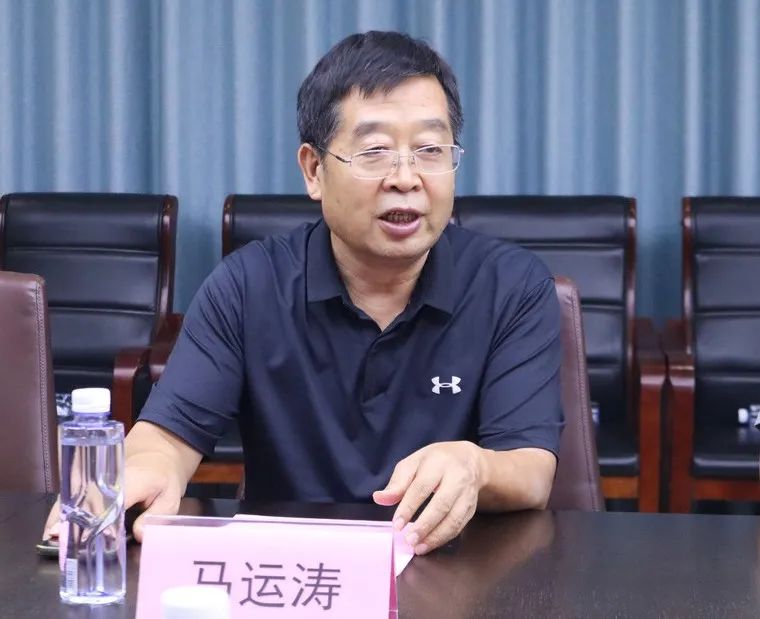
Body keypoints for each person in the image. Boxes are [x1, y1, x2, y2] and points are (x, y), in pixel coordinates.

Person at [45, 31, 563, 555]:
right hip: (292, 572)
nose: (406, 178)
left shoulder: (511, 287)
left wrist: (476, 466)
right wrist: (144, 470)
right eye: (375, 152)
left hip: (456, 569)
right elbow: (166, 436)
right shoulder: (248, 286)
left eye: (430, 150)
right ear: (314, 170)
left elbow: (532, 470)